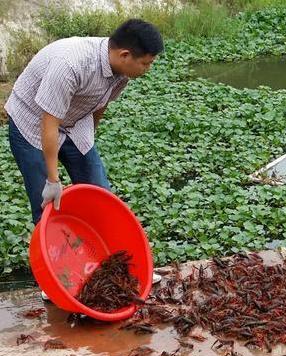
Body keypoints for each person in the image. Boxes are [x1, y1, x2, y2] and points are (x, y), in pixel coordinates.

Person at [4, 19, 165, 299]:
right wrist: (53, 180)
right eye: (147, 64)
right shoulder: (71, 65)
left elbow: (98, 105)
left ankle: (122, 270)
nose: (148, 70)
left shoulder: (121, 72)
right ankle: (55, 280)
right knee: (47, 207)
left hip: (74, 122)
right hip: (33, 123)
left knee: (101, 195)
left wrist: (87, 144)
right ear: (125, 55)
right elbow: (48, 122)